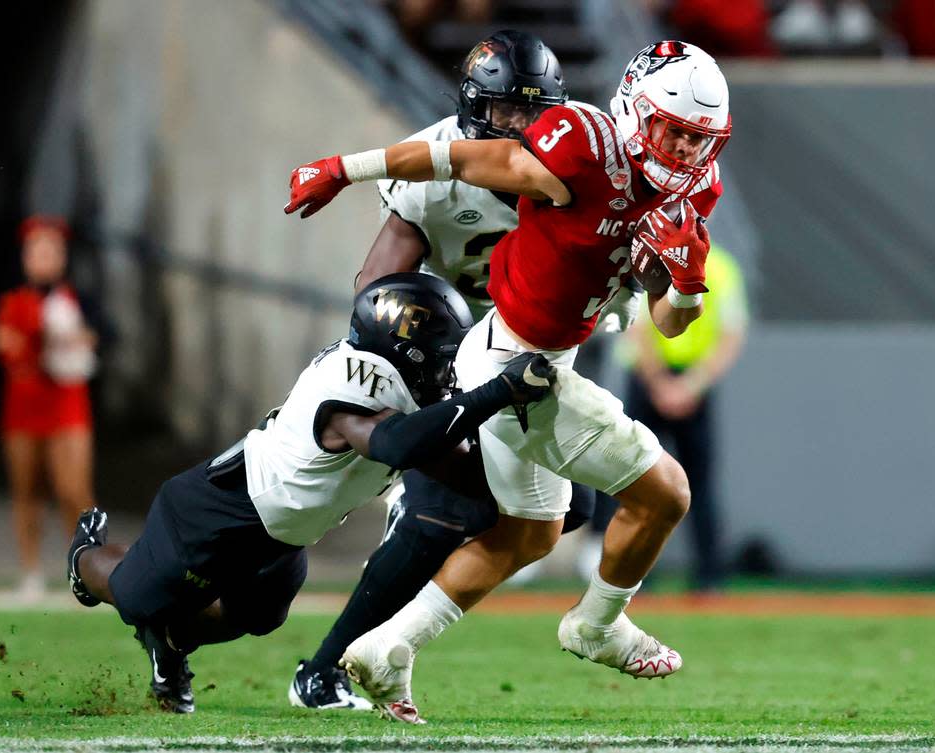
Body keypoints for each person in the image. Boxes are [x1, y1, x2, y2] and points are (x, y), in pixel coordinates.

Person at [286, 41, 731, 722]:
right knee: (664, 491)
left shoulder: (691, 187)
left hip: (534, 355)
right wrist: (343, 168)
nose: (680, 149)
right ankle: (598, 623)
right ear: (636, 109)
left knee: (531, 531)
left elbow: (671, 322)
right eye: (670, 128)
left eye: (696, 138)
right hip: (505, 362)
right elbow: (468, 159)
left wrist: (689, 282)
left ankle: (387, 650)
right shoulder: (580, 143)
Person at [66, 273, 556, 714]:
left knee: (257, 616)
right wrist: (495, 394)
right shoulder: (357, 379)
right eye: (441, 355)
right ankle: (85, 560)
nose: (447, 369)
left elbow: (455, 468)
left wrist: (544, 480)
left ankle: (170, 644)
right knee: (137, 598)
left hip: (282, 534)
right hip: (218, 511)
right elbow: (396, 443)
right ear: (407, 349)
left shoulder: (399, 387)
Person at [580, 244, 749, 592]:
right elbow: (641, 330)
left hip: (673, 383)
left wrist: (680, 386)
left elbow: (730, 335)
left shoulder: (666, 261)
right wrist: (679, 386)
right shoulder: (706, 265)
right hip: (666, 383)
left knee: (658, 481)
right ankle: (662, 577)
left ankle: (690, 578)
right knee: (644, 481)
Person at [0, 215, 98, 601]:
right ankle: (31, 571)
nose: (44, 258)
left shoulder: (77, 298)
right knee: (27, 491)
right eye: (37, 250)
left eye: (52, 250)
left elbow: (101, 334)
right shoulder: (12, 298)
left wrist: (80, 339)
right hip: (24, 406)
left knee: (73, 489)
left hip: (67, 405)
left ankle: (85, 567)